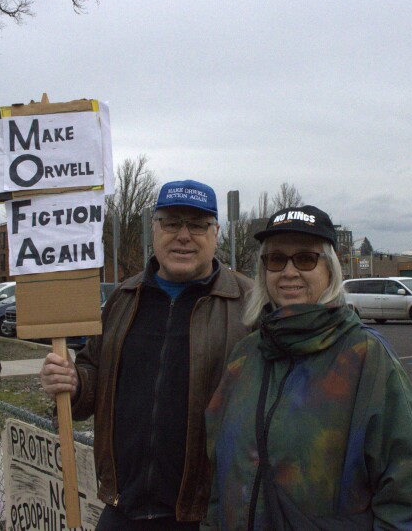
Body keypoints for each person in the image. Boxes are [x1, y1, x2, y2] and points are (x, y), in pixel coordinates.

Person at [203, 205, 412, 530]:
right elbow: (220, 472)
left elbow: (411, 489)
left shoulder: (365, 356)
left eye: (305, 258)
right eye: (276, 259)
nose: (288, 271)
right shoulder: (246, 357)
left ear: (329, 269)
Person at [40, 179, 253, 530]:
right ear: (154, 229)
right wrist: (74, 383)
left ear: (216, 232)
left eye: (197, 225)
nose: (183, 235)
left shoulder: (249, 304)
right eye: (171, 223)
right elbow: (94, 370)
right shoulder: (124, 298)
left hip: (209, 514)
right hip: (124, 507)